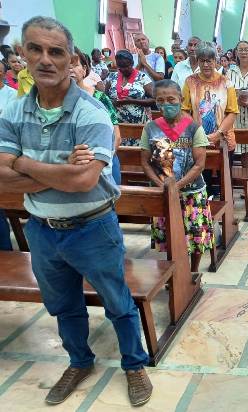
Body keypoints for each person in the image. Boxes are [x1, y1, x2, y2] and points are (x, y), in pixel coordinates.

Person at [0, 16, 152, 405]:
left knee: (117, 301)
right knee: (63, 304)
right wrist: (60, 169)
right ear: (22, 55)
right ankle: (79, 360)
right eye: (35, 49)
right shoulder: (14, 113)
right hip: (42, 228)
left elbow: (84, 181)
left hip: (92, 227)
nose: (45, 59)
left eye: (56, 51)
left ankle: (134, 364)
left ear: (71, 59)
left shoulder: (91, 112)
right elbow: (1, 178)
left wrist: (24, 163)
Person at [140, 79, 214, 272]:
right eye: (160, 100)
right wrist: (160, 184)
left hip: (191, 192)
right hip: (162, 190)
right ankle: (172, 271)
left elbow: (199, 164)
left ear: (181, 99)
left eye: (171, 99)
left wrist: (178, 185)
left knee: (195, 234)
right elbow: (145, 161)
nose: (166, 105)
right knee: (168, 234)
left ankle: (193, 271)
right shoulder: (150, 128)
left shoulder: (193, 128)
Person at [68, 48, 122, 185]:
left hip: (105, 162)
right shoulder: (55, 101)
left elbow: (116, 136)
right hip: (70, 164)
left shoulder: (99, 97)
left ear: (84, 69)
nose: (69, 70)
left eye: (74, 65)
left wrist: (102, 162)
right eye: (64, 65)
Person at [181, 42, 239, 153]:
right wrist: (197, 132)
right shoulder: (190, 81)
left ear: (215, 61)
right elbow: (184, 110)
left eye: (209, 61)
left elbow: (232, 112)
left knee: (223, 170)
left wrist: (218, 134)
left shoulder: (226, 82)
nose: (205, 65)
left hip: (223, 139)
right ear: (197, 61)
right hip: (196, 138)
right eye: (202, 61)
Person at [104, 50, 155, 145]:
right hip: (117, 124)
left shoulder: (142, 77)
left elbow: (154, 100)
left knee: (137, 152)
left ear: (132, 63)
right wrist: (112, 102)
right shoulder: (111, 77)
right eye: (120, 67)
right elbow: (104, 98)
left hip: (138, 125)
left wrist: (133, 101)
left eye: (127, 66)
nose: (124, 69)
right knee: (119, 151)